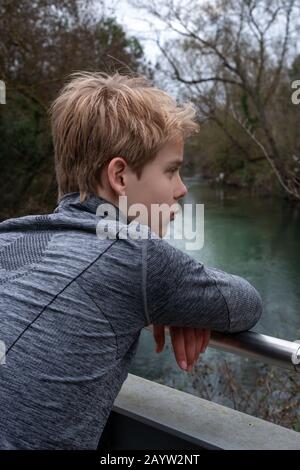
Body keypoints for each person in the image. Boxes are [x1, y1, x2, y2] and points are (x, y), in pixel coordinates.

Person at [0, 71, 262, 449]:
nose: (182, 189)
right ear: (120, 176)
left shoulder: (9, 234)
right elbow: (246, 304)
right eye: (171, 170)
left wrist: (161, 298)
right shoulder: (135, 255)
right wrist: (168, 297)